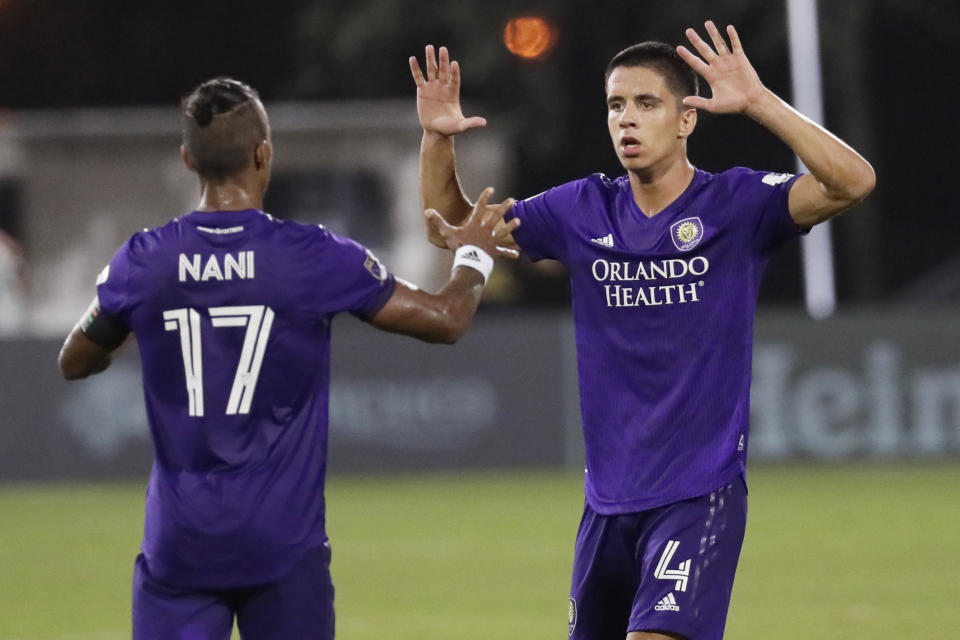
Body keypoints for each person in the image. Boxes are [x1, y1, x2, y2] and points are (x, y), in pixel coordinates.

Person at [410, 21, 874, 640]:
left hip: (697, 494)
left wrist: (760, 102)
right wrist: (437, 139)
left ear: (686, 120)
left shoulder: (735, 205)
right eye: (616, 105)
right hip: (607, 504)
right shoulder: (582, 209)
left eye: (647, 104)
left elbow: (853, 181)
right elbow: (454, 227)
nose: (626, 119)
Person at [57, 77, 519, 640]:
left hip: (179, 543)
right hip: (282, 543)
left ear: (187, 159)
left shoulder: (143, 262)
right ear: (264, 153)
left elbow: (74, 360)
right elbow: (446, 321)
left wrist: (141, 326)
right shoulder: (311, 256)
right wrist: (475, 254)